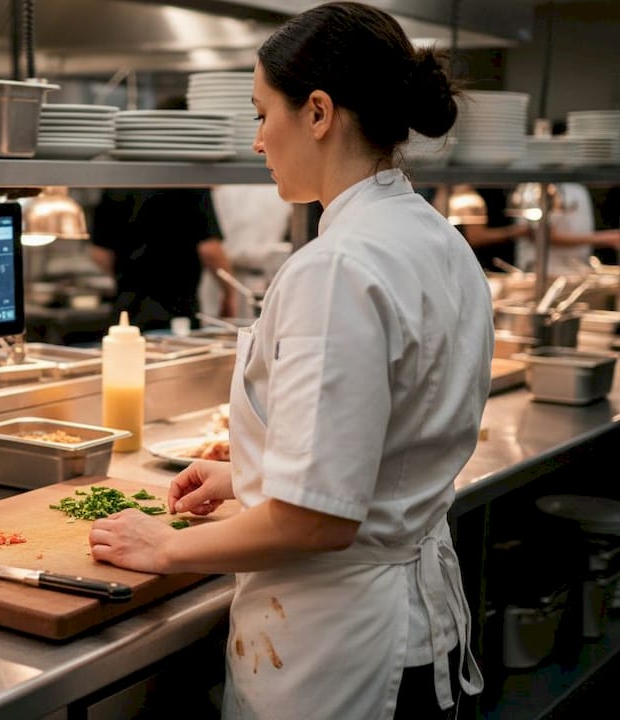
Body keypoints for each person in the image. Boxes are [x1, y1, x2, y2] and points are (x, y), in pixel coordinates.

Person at [87, 3, 489, 718]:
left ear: (319, 113)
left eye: (262, 112)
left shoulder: (337, 267)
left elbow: (317, 521)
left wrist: (163, 549)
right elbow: (373, 451)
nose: (256, 140)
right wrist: (253, 471)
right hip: (411, 636)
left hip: (341, 661)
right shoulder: (435, 237)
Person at [89, 187, 236, 330]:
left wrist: (128, 276)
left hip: (129, 310)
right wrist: (229, 292)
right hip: (178, 310)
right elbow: (209, 250)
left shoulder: (117, 185)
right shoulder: (190, 182)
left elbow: (99, 254)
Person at [203, 184, 294, 320]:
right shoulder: (221, 185)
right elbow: (210, 245)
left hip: (265, 277)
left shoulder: (283, 189)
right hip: (222, 275)